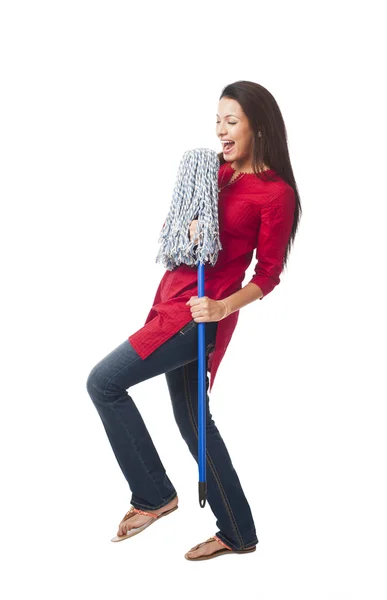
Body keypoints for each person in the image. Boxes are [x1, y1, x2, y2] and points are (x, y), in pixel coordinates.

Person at [86, 80, 302, 561]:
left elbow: (268, 275)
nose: (221, 131)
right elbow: (186, 233)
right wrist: (180, 227)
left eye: (231, 121)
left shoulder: (274, 194)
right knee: (193, 420)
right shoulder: (213, 172)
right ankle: (238, 530)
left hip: (200, 315)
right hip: (172, 298)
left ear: (258, 127)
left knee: (103, 382)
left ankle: (154, 494)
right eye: (217, 120)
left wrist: (223, 308)